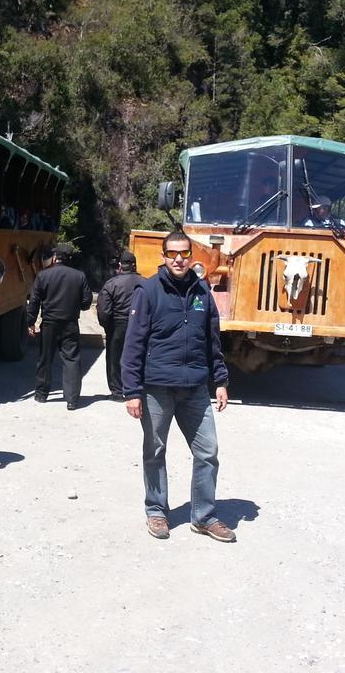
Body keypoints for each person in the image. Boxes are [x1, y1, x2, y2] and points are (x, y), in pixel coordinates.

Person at [120, 230, 234, 543]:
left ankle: (204, 516)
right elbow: (133, 344)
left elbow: (212, 340)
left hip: (195, 388)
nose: (179, 259)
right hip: (157, 388)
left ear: (191, 256)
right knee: (155, 450)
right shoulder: (148, 290)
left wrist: (220, 381)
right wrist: (132, 391)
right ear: (163, 256)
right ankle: (156, 510)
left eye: (184, 253)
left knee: (208, 452)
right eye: (172, 254)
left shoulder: (202, 291)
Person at [27, 244, 93, 410]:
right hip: (70, 323)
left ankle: (42, 394)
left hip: (49, 323)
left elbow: (34, 301)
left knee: (45, 358)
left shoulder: (43, 275)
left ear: (55, 258)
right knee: (71, 360)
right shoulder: (79, 276)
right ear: (69, 259)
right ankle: (72, 400)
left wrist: (30, 322)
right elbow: (87, 302)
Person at [97, 250, 143, 402]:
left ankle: (117, 391)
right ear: (135, 265)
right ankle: (137, 388)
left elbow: (103, 310)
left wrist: (107, 327)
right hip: (140, 324)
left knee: (114, 357)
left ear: (120, 266)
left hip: (118, 325)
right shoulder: (146, 283)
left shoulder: (112, 284)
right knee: (139, 356)